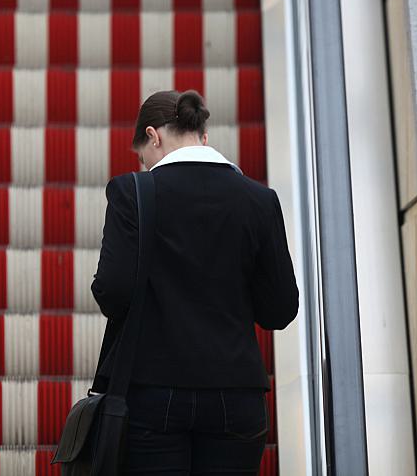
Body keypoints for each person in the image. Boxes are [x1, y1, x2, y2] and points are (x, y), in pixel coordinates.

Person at [90, 89, 299, 475]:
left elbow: (113, 293)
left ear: (153, 137)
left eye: (143, 156)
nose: (144, 165)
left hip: (153, 392)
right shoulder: (259, 199)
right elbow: (280, 309)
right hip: (237, 395)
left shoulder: (132, 192)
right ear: (203, 136)